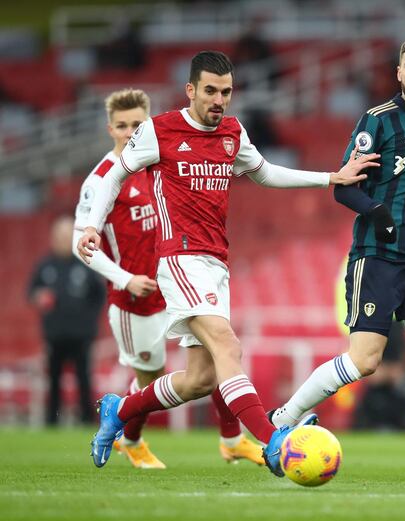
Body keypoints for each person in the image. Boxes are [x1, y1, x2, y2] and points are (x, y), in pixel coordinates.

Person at [76, 51, 378, 474]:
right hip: (179, 257)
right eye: (211, 91)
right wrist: (92, 225)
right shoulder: (159, 130)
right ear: (191, 90)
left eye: (226, 92)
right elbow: (114, 175)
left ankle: (119, 409)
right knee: (228, 346)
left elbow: (266, 172)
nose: (219, 100)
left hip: (216, 261)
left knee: (200, 378)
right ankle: (273, 439)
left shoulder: (233, 132)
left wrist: (331, 177)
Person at [269, 35, 405, 469]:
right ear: (398, 72)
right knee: (365, 360)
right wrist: (376, 211)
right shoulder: (378, 122)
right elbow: (344, 188)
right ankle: (284, 417)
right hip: (377, 257)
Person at [73, 88, 264, 469]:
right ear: (110, 129)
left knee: (215, 355)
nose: (130, 132)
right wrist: (125, 279)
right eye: (123, 126)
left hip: (172, 284)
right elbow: (84, 242)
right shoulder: (101, 180)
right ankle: (132, 437)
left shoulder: (158, 161)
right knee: (154, 377)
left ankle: (232, 438)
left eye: (137, 124)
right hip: (134, 301)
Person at [29, 215, 105, 426]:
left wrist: (90, 322)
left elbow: (100, 296)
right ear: (53, 238)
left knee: (84, 378)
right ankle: (51, 421)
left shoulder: (85, 262)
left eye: (66, 235)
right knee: (53, 379)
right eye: (59, 236)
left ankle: (87, 420)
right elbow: (32, 291)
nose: (62, 240)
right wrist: (39, 296)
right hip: (54, 334)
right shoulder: (45, 265)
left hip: (81, 335)